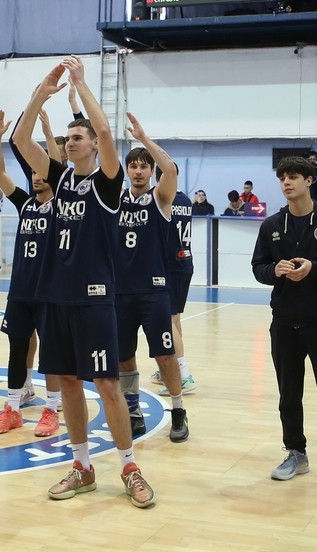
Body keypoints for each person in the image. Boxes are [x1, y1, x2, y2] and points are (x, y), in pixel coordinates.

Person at [12, 56, 155, 508]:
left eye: (77, 137)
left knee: (107, 385)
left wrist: (81, 84)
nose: (70, 142)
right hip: (56, 297)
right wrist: (41, 93)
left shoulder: (107, 182)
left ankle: (129, 467)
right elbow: (20, 140)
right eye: (68, 138)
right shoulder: (58, 180)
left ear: (92, 145)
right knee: (69, 384)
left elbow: (108, 132)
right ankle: (82, 466)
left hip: (95, 298)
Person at [253, 156, 317, 490]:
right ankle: (296, 453)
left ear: (309, 181)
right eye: (282, 177)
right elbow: (258, 267)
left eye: (293, 176)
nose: (286, 182)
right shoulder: (271, 225)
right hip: (284, 323)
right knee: (288, 395)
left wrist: (314, 269)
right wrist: (274, 271)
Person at [0, 111, 62, 437]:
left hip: (50, 292)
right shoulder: (25, 203)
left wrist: (48, 133)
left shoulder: (61, 204)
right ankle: (13, 409)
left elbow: (58, 169)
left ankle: (52, 410)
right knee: (17, 350)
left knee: (52, 354)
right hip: (20, 291)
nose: (36, 176)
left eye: (41, 171)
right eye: (32, 171)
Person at [115, 122, 189, 443]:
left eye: (143, 166)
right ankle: (133, 411)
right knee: (123, 356)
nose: (138, 171)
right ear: (127, 171)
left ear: (150, 171)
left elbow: (169, 170)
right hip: (120, 291)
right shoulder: (116, 201)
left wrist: (143, 139)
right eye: (133, 166)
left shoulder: (160, 198)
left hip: (154, 290)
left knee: (165, 355)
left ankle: (179, 410)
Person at [151, 163, 197, 396]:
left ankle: (183, 374)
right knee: (175, 318)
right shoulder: (185, 200)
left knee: (167, 319)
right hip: (185, 262)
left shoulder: (160, 198)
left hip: (168, 264)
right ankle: (169, 369)